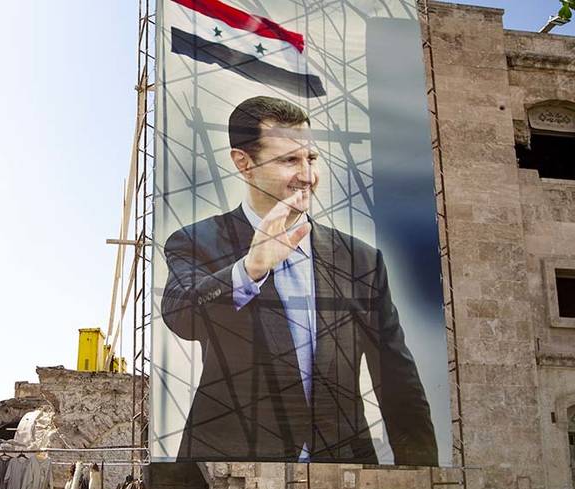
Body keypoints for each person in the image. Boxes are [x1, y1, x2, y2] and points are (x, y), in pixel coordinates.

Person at [161, 95, 436, 465]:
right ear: (244, 163)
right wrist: (250, 269)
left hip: (344, 471)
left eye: (311, 158)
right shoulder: (196, 241)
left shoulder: (361, 260)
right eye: (289, 160)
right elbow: (182, 316)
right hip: (228, 471)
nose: (307, 175)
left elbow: (398, 381)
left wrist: (423, 477)